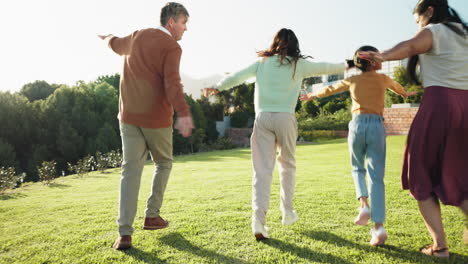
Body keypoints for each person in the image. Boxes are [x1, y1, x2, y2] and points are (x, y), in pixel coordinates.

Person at [204, 28, 348, 240]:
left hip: (263, 119)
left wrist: (217, 87)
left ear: (275, 43)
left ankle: (259, 222)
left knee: (262, 171)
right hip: (286, 118)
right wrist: (355, 62)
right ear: (294, 45)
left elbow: (238, 76)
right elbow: (327, 66)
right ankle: (287, 212)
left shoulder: (262, 63)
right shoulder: (299, 64)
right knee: (287, 165)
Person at [360, 0, 468, 258]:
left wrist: (383, 56)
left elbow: (409, 46)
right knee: (461, 174)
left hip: (440, 105)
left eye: (418, 20)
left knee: (420, 174)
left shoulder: (436, 30)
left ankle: (440, 246)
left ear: (429, 11)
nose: (418, 26)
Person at [98, 2, 194, 250]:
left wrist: (106, 37)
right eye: (184, 23)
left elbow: (116, 44)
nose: (185, 29)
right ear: (171, 22)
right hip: (156, 119)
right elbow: (172, 83)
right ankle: (152, 215)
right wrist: (183, 113)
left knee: (130, 172)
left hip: (128, 117)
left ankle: (124, 234)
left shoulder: (138, 35)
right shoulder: (172, 47)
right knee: (164, 163)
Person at [300, 46, 416, 246]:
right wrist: (405, 94)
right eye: (378, 57)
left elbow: (330, 89)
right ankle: (378, 227)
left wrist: (312, 96)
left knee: (357, 167)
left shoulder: (352, 79)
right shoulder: (382, 79)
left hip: (357, 124)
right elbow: (397, 87)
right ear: (372, 62)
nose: (382, 60)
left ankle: (364, 205)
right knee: (376, 177)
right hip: (377, 126)